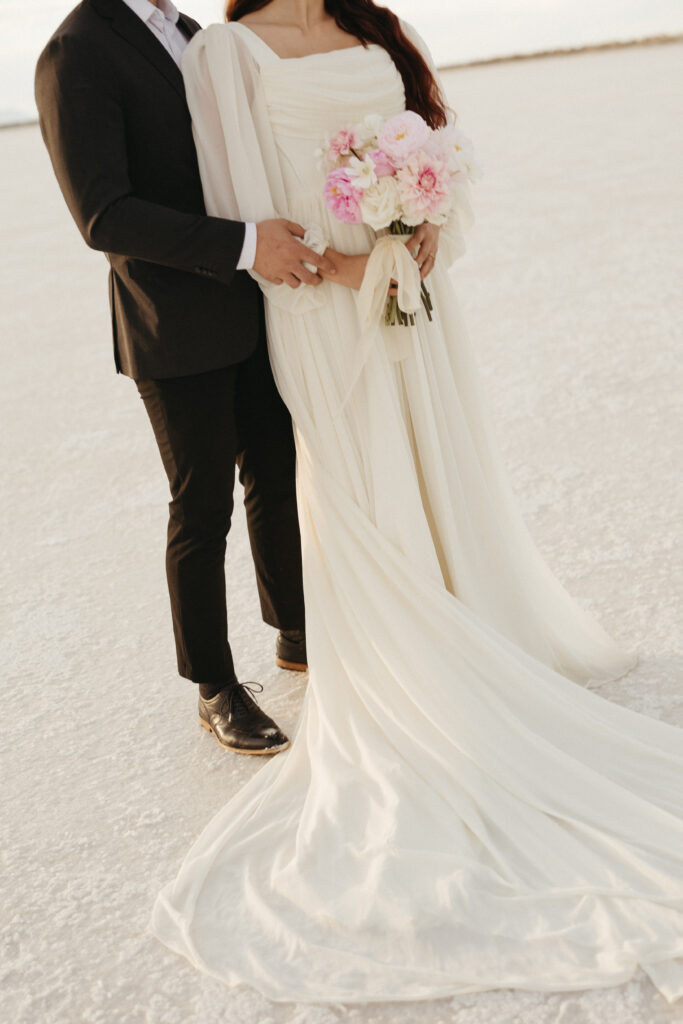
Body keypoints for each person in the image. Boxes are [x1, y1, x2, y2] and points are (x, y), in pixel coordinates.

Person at [152, 0, 683, 1005]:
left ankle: (469, 615)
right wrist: (345, 265)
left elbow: (437, 143)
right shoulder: (227, 50)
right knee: (361, 475)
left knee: (440, 459)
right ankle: (411, 661)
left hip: (411, 290)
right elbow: (243, 202)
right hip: (322, 305)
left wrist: (429, 222)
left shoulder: (376, 29)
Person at [34, 0, 339, 755]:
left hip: (251, 302)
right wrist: (242, 245)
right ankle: (213, 687)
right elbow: (102, 215)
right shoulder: (75, 52)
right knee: (200, 506)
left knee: (275, 471)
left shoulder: (192, 32)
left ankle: (296, 632)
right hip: (171, 320)